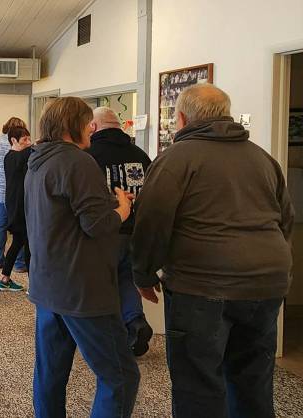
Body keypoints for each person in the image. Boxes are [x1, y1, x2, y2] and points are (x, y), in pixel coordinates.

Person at [132, 84, 293, 418]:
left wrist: (143, 274)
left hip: (202, 285)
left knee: (199, 382)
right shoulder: (262, 158)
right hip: (266, 284)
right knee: (253, 378)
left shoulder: (176, 159)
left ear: (180, 118)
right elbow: (285, 219)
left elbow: (152, 221)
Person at [25, 97, 138, 417]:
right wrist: (122, 209)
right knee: (121, 376)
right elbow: (97, 225)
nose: (92, 128)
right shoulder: (78, 161)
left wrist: (108, 204)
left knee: (50, 374)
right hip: (81, 288)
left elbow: (65, 216)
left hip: (48, 284)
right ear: (72, 125)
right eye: (87, 122)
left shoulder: (38, 160)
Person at [86, 106, 154, 356]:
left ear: (93, 126)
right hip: (136, 231)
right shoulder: (140, 155)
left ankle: (107, 338)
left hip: (106, 231)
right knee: (126, 277)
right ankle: (135, 322)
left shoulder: (89, 156)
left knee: (100, 284)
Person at [0, 117, 30, 270]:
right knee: (19, 227)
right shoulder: (17, 146)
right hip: (13, 192)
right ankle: (19, 262)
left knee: (0, 225)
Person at [0, 126, 32, 292]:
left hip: (17, 206)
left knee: (18, 243)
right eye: (24, 140)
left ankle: (4, 279)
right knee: (28, 247)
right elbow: (27, 154)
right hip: (18, 209)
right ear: (13, 140)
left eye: (29, 139)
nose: (28, 142)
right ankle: (34, 285)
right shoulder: (12, 157)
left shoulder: (17, 156)